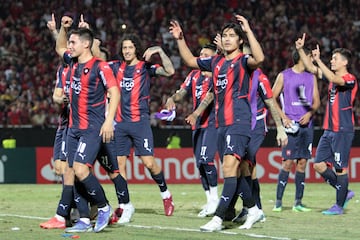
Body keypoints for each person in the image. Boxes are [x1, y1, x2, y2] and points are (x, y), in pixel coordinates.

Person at [170, 15, 265, 231]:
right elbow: (190, 61)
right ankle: (253, 209)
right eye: (225, 35)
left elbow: (259, 58)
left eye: (233, 36)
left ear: (240, 41)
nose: (228, 39)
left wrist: (248, 30)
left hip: (239, 122)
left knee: (230, 168)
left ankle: (219, 218)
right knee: (238, 170)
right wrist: (180, 38)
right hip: (221, 124)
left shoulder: (243, 61)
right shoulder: (216, 62)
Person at [54, 14, 120, 233]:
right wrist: (64, 29)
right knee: (72, 172)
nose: (69, 46)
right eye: (70, 42)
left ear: (86, 44)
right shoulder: (71, 62)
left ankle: (103, 206)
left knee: (82, 170)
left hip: (92, 128)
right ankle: (83, 218)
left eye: (74, 42)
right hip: (73, 129)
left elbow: (114, 91)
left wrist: (109, 121)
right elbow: (59, 47)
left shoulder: (101, 67)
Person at [108, 33, 175, 224]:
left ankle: (166, 195)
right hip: (120, 124)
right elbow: (97, 59)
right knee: (119, 165)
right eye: (124, 48)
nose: (127, 51)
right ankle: (124, 205)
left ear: (136, 48)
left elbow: (170, 71)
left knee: (148, 163)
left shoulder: (145, 68)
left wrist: (159, 51)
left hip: (140, 123)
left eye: (130, 47)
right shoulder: (116, 67)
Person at [296, 33, 356, 215]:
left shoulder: (350, 79)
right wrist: (300, 49)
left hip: (342, 130)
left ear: (344, 62)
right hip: (329, 130)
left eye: (335, 59)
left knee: (340, 168)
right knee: (319, 165)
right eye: (331, 59)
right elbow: (311, 68)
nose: (332, 61)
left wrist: (320, 60)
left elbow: (335, 79)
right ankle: (344, 192)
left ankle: (338, 205)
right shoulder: (332, 77)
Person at [165, 43, 219, 218]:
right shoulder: (194, 75)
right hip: (197, 126)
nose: (201, 57)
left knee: (206, 159)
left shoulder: (217, 75)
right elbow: (182, 91)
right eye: (200, 53)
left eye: (206, 55)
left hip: (212, 123)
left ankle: (215, 199)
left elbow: (210, 97)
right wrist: (173, 98)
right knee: (199, 164)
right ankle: (210, 200)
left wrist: (196, 113)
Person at [271, 42, 320, 213]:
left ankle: (298, 203)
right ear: (301, 57)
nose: (311, 60)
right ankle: (278, 202)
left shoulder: (311, 77)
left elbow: (317, 102)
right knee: (287, 163)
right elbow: (271, 98)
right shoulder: (284, 76)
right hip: (291, 126)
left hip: (307, 126)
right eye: (309, 57)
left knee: (302, 163)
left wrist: (310, 114)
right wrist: (283, 117)